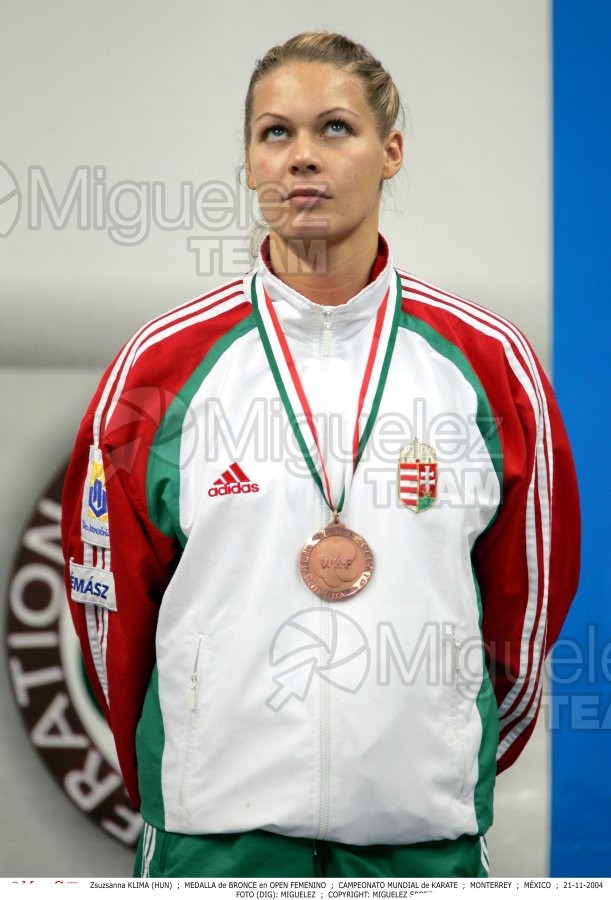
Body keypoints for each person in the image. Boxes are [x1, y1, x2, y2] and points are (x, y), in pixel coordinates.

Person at [61, 32, 580, 878]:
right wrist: (183, 765)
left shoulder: (490, 366)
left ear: (391, 152)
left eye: (334, 128)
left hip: (423, 844)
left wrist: (447, 749)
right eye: (275, 133)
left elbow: (527, 606)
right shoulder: (157, 371)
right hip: (213, 843)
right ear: (247, 162)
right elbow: (109, 610)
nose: (302, 157)